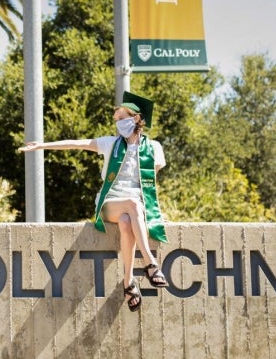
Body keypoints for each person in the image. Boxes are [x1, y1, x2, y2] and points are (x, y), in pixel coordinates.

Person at [19, 91, 168, 312]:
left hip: (134, 210)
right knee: (132, 206)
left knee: (127, 222)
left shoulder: (154, 148)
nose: (118, 124)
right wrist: (42, 146)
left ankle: (128, 283)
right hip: (110, 204)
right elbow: (76, 144)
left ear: (136, 118)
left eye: (122, 118)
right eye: (116, 120)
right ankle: (149, 262)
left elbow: (151, 182)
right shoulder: (110, 144)